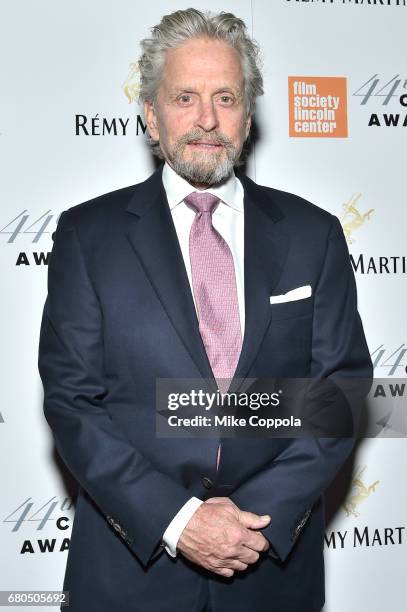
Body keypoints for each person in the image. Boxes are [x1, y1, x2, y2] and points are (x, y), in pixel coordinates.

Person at [38, 8, 372, 612]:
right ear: (151, 116)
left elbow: (341, 392)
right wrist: (178, 519)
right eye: (184, 97)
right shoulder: (89, 236)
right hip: (127, 580)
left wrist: (256, 524)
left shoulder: (312, 234)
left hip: (270, 577)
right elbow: (72, 400)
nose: (206, 119)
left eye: (226, 96)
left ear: (248, 116)